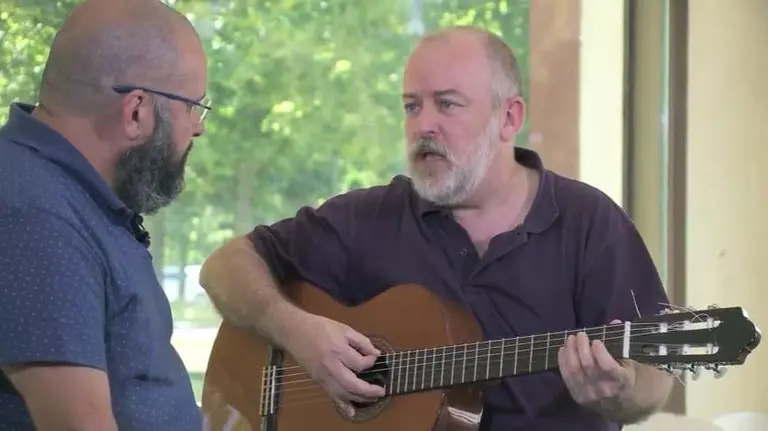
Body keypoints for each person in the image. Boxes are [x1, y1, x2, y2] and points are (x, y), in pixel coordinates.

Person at [199, 26, 673, 431]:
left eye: (447, 105)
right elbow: (224, 266)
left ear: (509, 118)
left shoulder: (590, 223)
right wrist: (296, 331)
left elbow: (654, 373)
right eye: (411, 107)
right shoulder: (367, 218)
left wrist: (619, 392)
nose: (424, 125)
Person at [0, 0, 210, 429]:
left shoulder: (74, 198)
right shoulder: (36, 213)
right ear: (136, 111)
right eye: (194, 106)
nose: (199, 127)